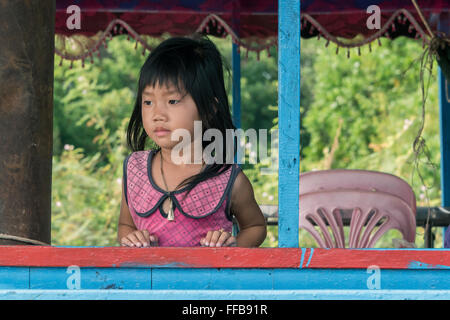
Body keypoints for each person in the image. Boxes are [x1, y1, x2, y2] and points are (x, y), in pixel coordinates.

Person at [117, 35, 267, 247]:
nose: (157, 114)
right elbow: (125, 225)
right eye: (148, 101)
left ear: (208, 109)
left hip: (209, 281)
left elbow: (255, 227)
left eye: (172, 101)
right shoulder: (135, 170)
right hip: (146, 281)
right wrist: (131, 238)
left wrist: (231, 248)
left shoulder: (229, 179)